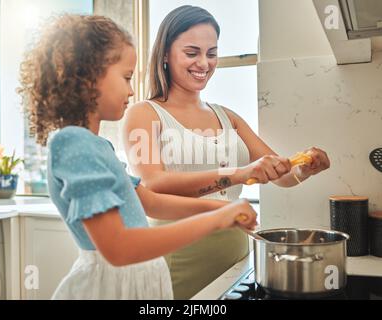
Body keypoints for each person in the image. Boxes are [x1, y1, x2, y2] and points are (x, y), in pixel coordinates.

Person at [18, 14, 258, 300]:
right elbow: (120, 248)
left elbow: (151, 203)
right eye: (126, 77)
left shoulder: (98, 146)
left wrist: (221, 210)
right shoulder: (73, 144)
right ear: (87, 78)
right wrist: (216, 220)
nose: (132, 90)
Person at [123, 5, 330, 299]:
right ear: (166, 54)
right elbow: (154, 183)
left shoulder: (227, 116)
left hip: (234, 246)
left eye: (211, 53)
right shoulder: (144, 113)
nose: (204, 63)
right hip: (178, 249)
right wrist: (238, 174)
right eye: (192, 53)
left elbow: (281, 175)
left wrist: (304, 168)